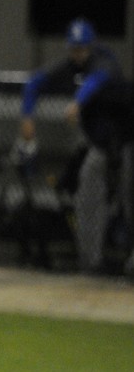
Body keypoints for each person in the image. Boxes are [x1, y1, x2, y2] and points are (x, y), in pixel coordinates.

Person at [20, 18, 133, 274]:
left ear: (91, 45)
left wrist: (77, 102)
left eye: (82, 48)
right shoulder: (71, 66)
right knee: (87, 199)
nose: (78, 53)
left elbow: (97, 80)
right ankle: (90, 262)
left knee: (130, 200)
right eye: (74, 48)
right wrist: (27, 116)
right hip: (101, 145)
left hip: (128, 141)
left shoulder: (105, 61)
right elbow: (34, 83)